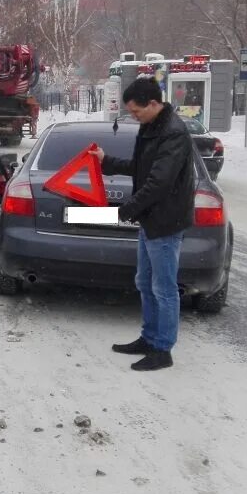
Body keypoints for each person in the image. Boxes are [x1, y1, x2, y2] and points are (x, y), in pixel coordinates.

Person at [92, 78, 195, 371]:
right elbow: (139, 168)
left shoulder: (173, 133)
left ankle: (163, 350)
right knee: (145, 283)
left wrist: (126, 210)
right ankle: (148, 338)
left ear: (153, 103)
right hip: (150, 219)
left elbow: (159, 184)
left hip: (165, 221)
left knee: (164, 288)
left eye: (136, 111)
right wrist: (105, 161)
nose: (134, 116)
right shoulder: (150, 127)